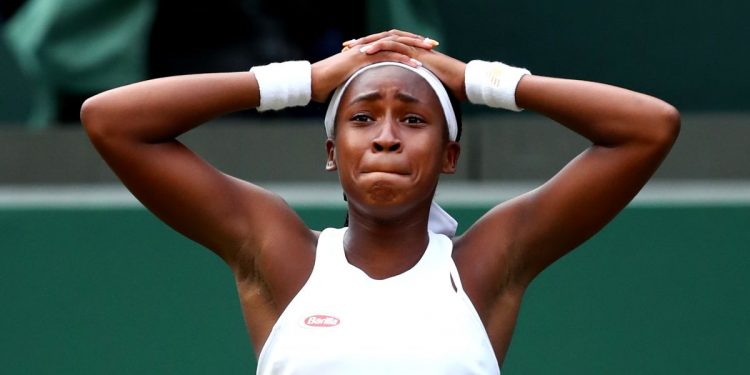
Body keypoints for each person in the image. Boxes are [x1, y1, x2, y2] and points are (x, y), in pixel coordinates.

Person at [81, 29, 680, 373]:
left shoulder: (484, 267)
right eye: (363, 117)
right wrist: (306, 80)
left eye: (413, 119)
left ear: (450, 154)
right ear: (331, 150)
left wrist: (474, 78)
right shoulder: (279, 254)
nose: (387, 136)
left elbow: (649, 128)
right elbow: (110, 120)